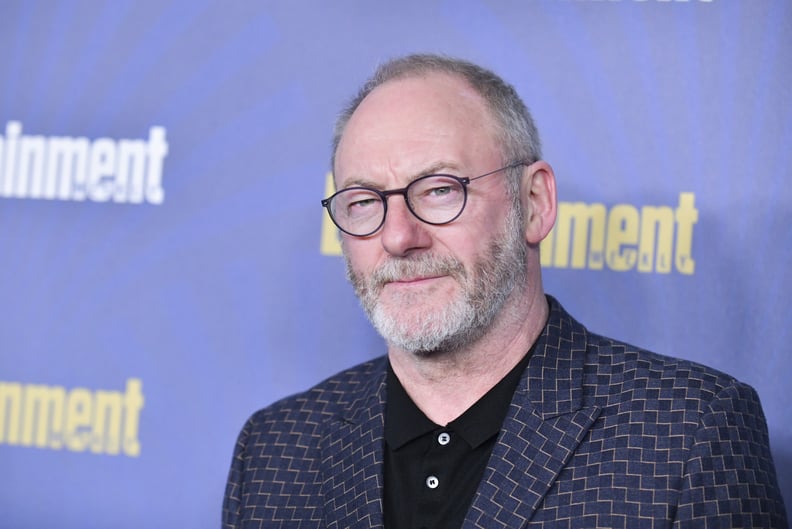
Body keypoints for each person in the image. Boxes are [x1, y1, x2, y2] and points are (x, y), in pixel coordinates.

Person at [222, 54, 788, 528]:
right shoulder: (274, 450)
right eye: (365, 201)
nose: (398, 237)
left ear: (534, 204)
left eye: (440, 190)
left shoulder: (688, 433)